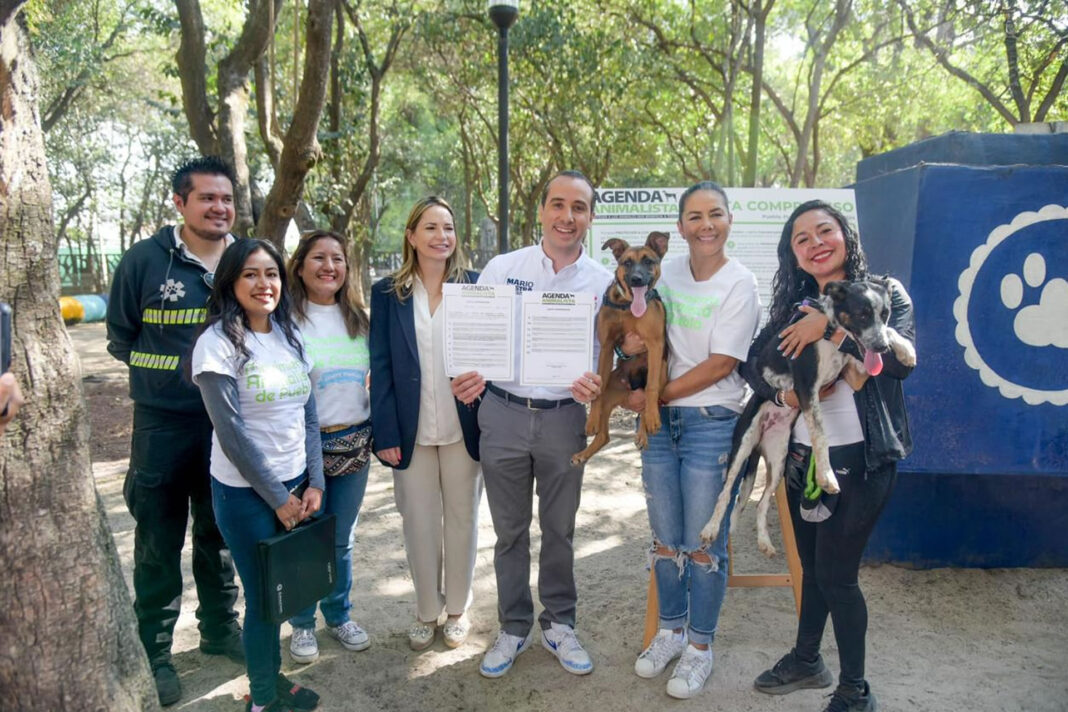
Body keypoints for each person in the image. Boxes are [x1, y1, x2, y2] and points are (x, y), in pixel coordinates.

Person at [747, 200, 915, 712]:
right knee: (814, 569)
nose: (815, 243)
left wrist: (830, 328)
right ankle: (806, 660)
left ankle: (855, 690)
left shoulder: (885, 293)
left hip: (863, 460)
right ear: (794, 255)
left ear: (846, 235)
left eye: (825, 231)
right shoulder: (792, 308)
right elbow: (753, 366)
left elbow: (899, 363)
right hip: (804, 458)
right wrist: (783, 396)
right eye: (802, 239)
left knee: (838, 577)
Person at [450, 170, 610, 679]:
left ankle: (560, 623)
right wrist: (464, 374)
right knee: (509, 532)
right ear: (542, 211)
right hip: (502, 414)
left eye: (579, 207)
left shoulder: (603, 282)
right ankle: (514, 626)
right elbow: (474, 337)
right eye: (558, 204)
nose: (567, 216)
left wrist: (598, 383)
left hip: (565, 418)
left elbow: (611, 353)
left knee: (560, 529)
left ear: (590, 217)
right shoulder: (503, 269)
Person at [106, 156, 241, 706]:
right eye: (207, 198)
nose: (219, 208)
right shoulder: (144, 261)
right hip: (161, 426)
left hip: (227, 422)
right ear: (180, 203)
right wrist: (171, 378)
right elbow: (121, 337)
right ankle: (156, 653)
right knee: (158, 541)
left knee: (219, 531)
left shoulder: (244, 259)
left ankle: (220, 629)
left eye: (226, 199)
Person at [624, 181, 760, 700]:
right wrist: (630, 362)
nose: (706, 225)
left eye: (715, 214)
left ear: (729, 221)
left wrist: (653, 398)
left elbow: (722, 364)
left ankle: (700, 646)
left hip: (710, 420)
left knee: (703, 544)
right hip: (659, 425)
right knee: (664, 539)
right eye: (695, 217)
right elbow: (636, 339)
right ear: (680, 227)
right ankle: (670, 632)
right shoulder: (662, 273)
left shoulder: (740, 282)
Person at [192, 239, 324, 712]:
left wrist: (315, 482)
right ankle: (263, 700)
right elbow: (232, 435)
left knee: (282, 595)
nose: (263, 283)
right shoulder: (216, 345)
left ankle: (272, 680)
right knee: (264, 599)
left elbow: (309, 416)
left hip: (295, 484)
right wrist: (277, 498)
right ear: (230, 282)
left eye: (271, 273)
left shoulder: (290, 334)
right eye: (250, 274)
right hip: (245, 494)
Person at [369, 197, 483, 651]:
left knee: (463, 518)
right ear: (412, 236)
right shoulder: (386, 293)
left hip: (464, 426)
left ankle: (457, 608)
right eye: (431, 227)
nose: (442, 236)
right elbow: (380, 364)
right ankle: (425, 609)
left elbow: (493, 352)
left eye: (448, 227)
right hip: (409, 430)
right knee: (418, 521)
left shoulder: (475, 286)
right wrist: (385, 432)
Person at [284, 230, 373, 663]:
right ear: (300, 266)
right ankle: (302, 624)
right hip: (305, 446)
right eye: (318, 258)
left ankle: (339, 615)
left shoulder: (359, 319)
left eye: (337, 259)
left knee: (341, 539)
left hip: (354, 441)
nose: (329, 266)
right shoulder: (285, 320)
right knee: (306, 536)